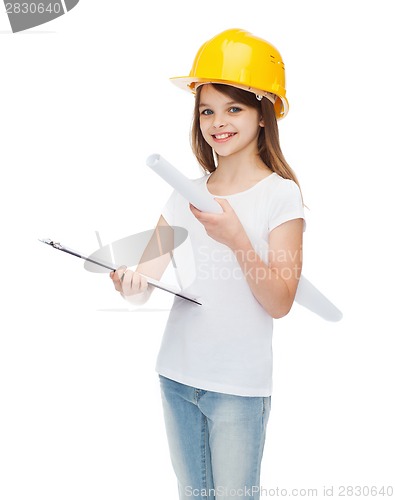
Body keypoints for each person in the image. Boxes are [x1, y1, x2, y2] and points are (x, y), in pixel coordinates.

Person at [110, 28, 305, 500]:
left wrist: (236, 237)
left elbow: (280, 302)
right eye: (207, 110)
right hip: (176, 374)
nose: (218, 122)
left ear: (264, 114)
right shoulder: (185, 192)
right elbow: (146, 279)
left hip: (238, 388)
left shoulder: (281, 195)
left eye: (234, 107)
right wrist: (129, 282)